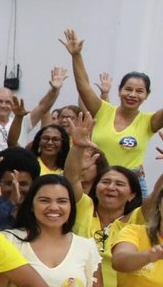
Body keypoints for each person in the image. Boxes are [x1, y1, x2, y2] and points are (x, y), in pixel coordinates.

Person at [61, 29, 163, 185]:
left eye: (139, 91)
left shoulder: (149, 121)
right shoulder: (103, 110)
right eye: (128, 89)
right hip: (97, 179)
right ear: (119, 91)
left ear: (147, 95)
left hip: (131, 184)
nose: (133, 95)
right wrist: (76, 55)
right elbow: (83, 87)